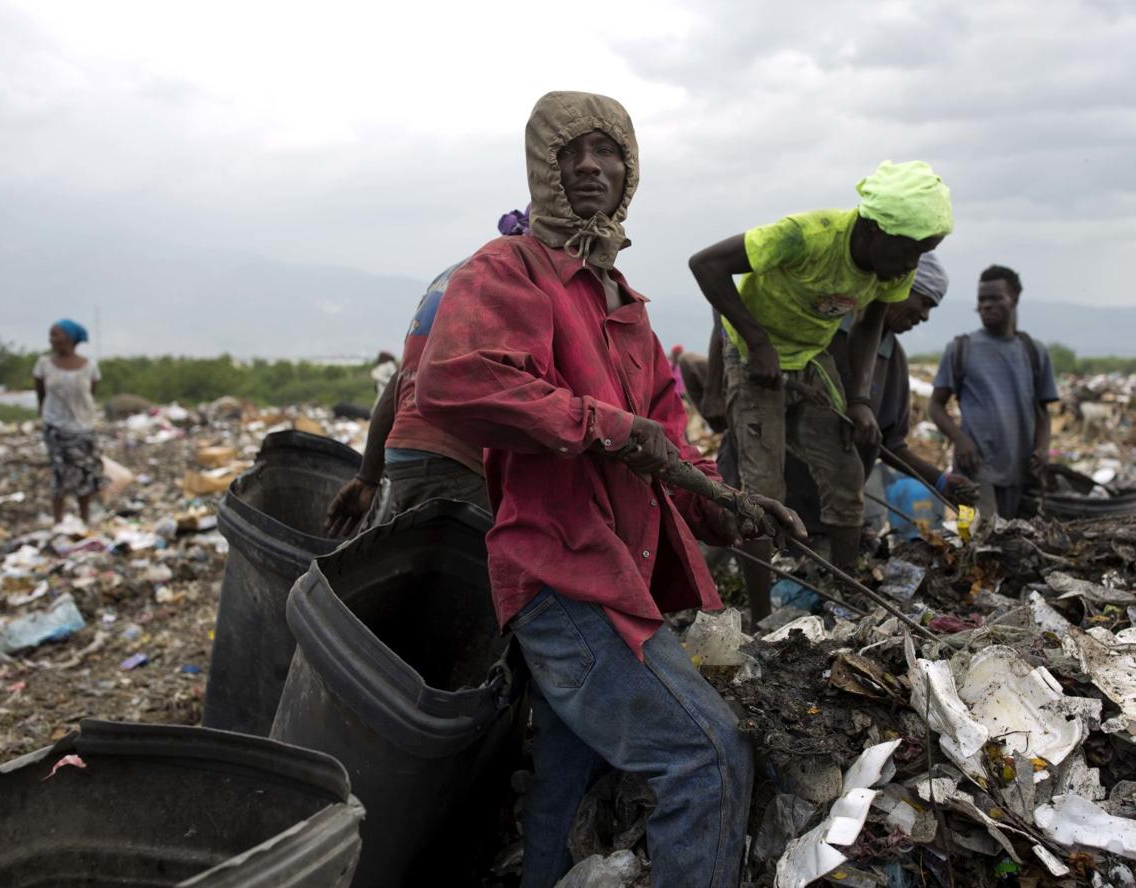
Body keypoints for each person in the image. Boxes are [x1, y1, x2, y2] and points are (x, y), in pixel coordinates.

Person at [418, 91, 805, 888]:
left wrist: (732, 507)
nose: (591, 167)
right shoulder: (506, 271)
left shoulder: (624, 306)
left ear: (632, 171)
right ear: (541, 167)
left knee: (569, 775)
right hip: (563, 577)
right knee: (706, 754)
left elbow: (672, 449)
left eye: (610, 153)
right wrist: (607, 425)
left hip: (618, 574)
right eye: (572, 152)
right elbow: (452, 384)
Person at [689, 160, 952, 619]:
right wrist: (757, 340)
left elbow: (871, 322)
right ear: (873, 229)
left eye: (923, 251)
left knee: (846, 474)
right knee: (762, 490)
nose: (913, 264)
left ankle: (844, 601)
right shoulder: (805, 236)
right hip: (755, 359)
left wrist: (861, 400)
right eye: (911, 251)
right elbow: (706, 265)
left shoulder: (892, 268)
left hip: (810, 357)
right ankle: (758, 618)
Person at [324, 208, 533, 536]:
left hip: (407, 456)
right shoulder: (520, 280)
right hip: (455, 461)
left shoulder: (453, 275)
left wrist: (367, 477)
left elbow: (402, 381)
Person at [928, 264, 1059, 520]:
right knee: (980, 541)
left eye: (995, 298)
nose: (986, 305)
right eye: (981, 300)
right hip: (975, 471)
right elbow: (935, 406)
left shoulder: (1034, 351)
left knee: (1019, 543)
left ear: (1015, 299)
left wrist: (1042, 450)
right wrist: (960, 439)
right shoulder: (960, 348)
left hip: (1021, 472)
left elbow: (1042, 413)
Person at [858, 253, 978, 504]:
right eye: (923, 302)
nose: (924, 316)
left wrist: (941, 480)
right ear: (897, 288)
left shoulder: (894, 360)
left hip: (843, 500)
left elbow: (891, 444)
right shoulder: (831, 335)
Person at [34, 320, 104, 524]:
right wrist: (44, 415)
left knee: (85, 474)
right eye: (51, 335)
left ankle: (84, 519)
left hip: (83, 428)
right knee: (59, 473)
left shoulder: (89, 366)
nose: (52, 339)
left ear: (71, 338)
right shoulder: (43, 364)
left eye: (56, 334)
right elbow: (40, 392)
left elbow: (90, 394)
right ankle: (59, 521)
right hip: (55, 427)